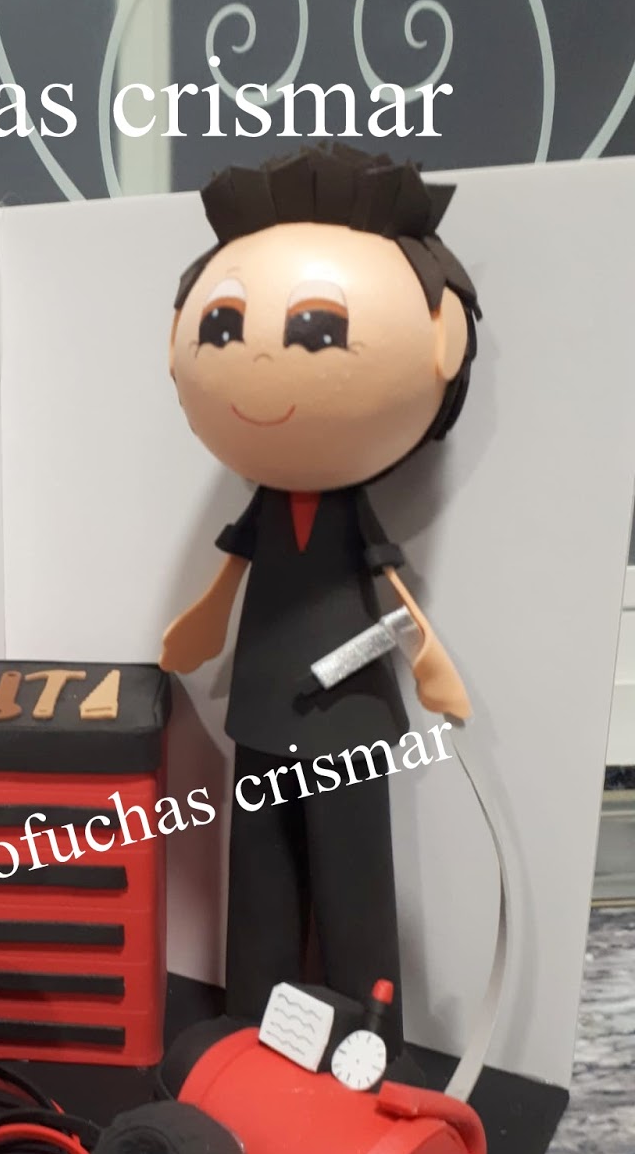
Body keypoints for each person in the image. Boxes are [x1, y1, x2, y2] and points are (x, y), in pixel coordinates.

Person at [160, 145, 480, 1057]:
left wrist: (432, 666)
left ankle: (371, 1040)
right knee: (258, 876)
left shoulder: (349, 514)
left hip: (348, 721)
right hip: (263, 707)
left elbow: (391, 589)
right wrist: (197, 632)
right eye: (224, 326)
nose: (262, 354)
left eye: (314, 331)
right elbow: (229, 574)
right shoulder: (263, 509)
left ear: (443, 341)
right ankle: (250, 1026)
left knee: (354, 880)